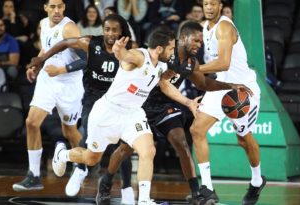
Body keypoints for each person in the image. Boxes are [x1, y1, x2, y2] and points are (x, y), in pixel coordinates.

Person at [96, 22, 253, 205]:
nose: (199, 45)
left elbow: (203, 84)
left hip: (166, 106)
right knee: (125, 149)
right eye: (196, 40)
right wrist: (121, 53)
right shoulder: (165, 52)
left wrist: (230, 86)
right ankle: (106, 182)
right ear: (184, 38)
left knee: (181, 143)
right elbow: (155, 77)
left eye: (201, 42)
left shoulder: (191, 62)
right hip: (142, 105)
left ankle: (196, 193)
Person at [51, 27, 201, 205]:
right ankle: (63, 155)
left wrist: (188, 102)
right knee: (91, 159)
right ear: (159, 49)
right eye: (170, 49)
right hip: (108, 112)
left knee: (148, 150)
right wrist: (118, 50)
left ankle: (144, 200)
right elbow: (124, 55)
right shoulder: (140, 56)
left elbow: (165, 85)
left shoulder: (161, 65)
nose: (172, 53)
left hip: (133, 114)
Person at [27, 14, 136, 202]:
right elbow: (66, 42)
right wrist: (43, 58)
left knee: (126, 145)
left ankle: (127, 191)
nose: (110, 33)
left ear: (121, 31)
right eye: (107, 29)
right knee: (88, 133)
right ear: (102, 30)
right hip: (93, 97)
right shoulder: (91, 43)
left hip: (118, 99)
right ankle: (79, 170)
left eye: (114, 30)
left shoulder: (129, 49)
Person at [189, 0, 266, 204]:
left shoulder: (224, 27)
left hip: (241, 89)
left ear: (221, 5)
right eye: (206, 3)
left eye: (213, 3)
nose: (209, 7)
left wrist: (193, 69)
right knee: (197, 130)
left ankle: (257, 181)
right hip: (222, 85)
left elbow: (223, 63)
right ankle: (207, 189)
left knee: (243, 139)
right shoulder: (204, 27)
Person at [12, 0, 83, 192]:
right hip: (48, 81)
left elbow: (87, 59)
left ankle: (82, 165)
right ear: (45, 8)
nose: (57, 10)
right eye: (53, 6)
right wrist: (36, 65)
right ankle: (33, 175)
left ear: (64, 8)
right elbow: (45, 49)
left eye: (60, 6)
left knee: (70, 131)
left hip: (69, 85)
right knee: (31, 122)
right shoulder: (43, 24)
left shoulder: (69, 29)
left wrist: (61, 69)